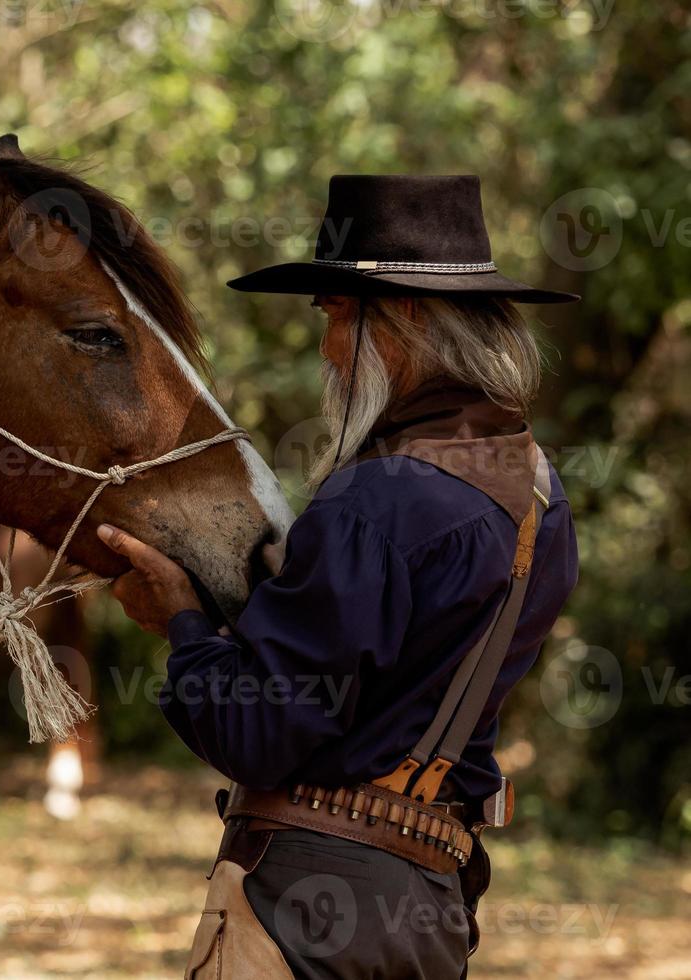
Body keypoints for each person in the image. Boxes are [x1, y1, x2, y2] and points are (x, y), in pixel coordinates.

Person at [97, 175, 580, 978]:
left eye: (335, 315)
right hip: (429, 905)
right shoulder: (541, 490)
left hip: (308, 904)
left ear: (407, 316)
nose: (325, 348)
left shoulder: (374, 497)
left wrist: (179, 623)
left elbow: (256, 737)